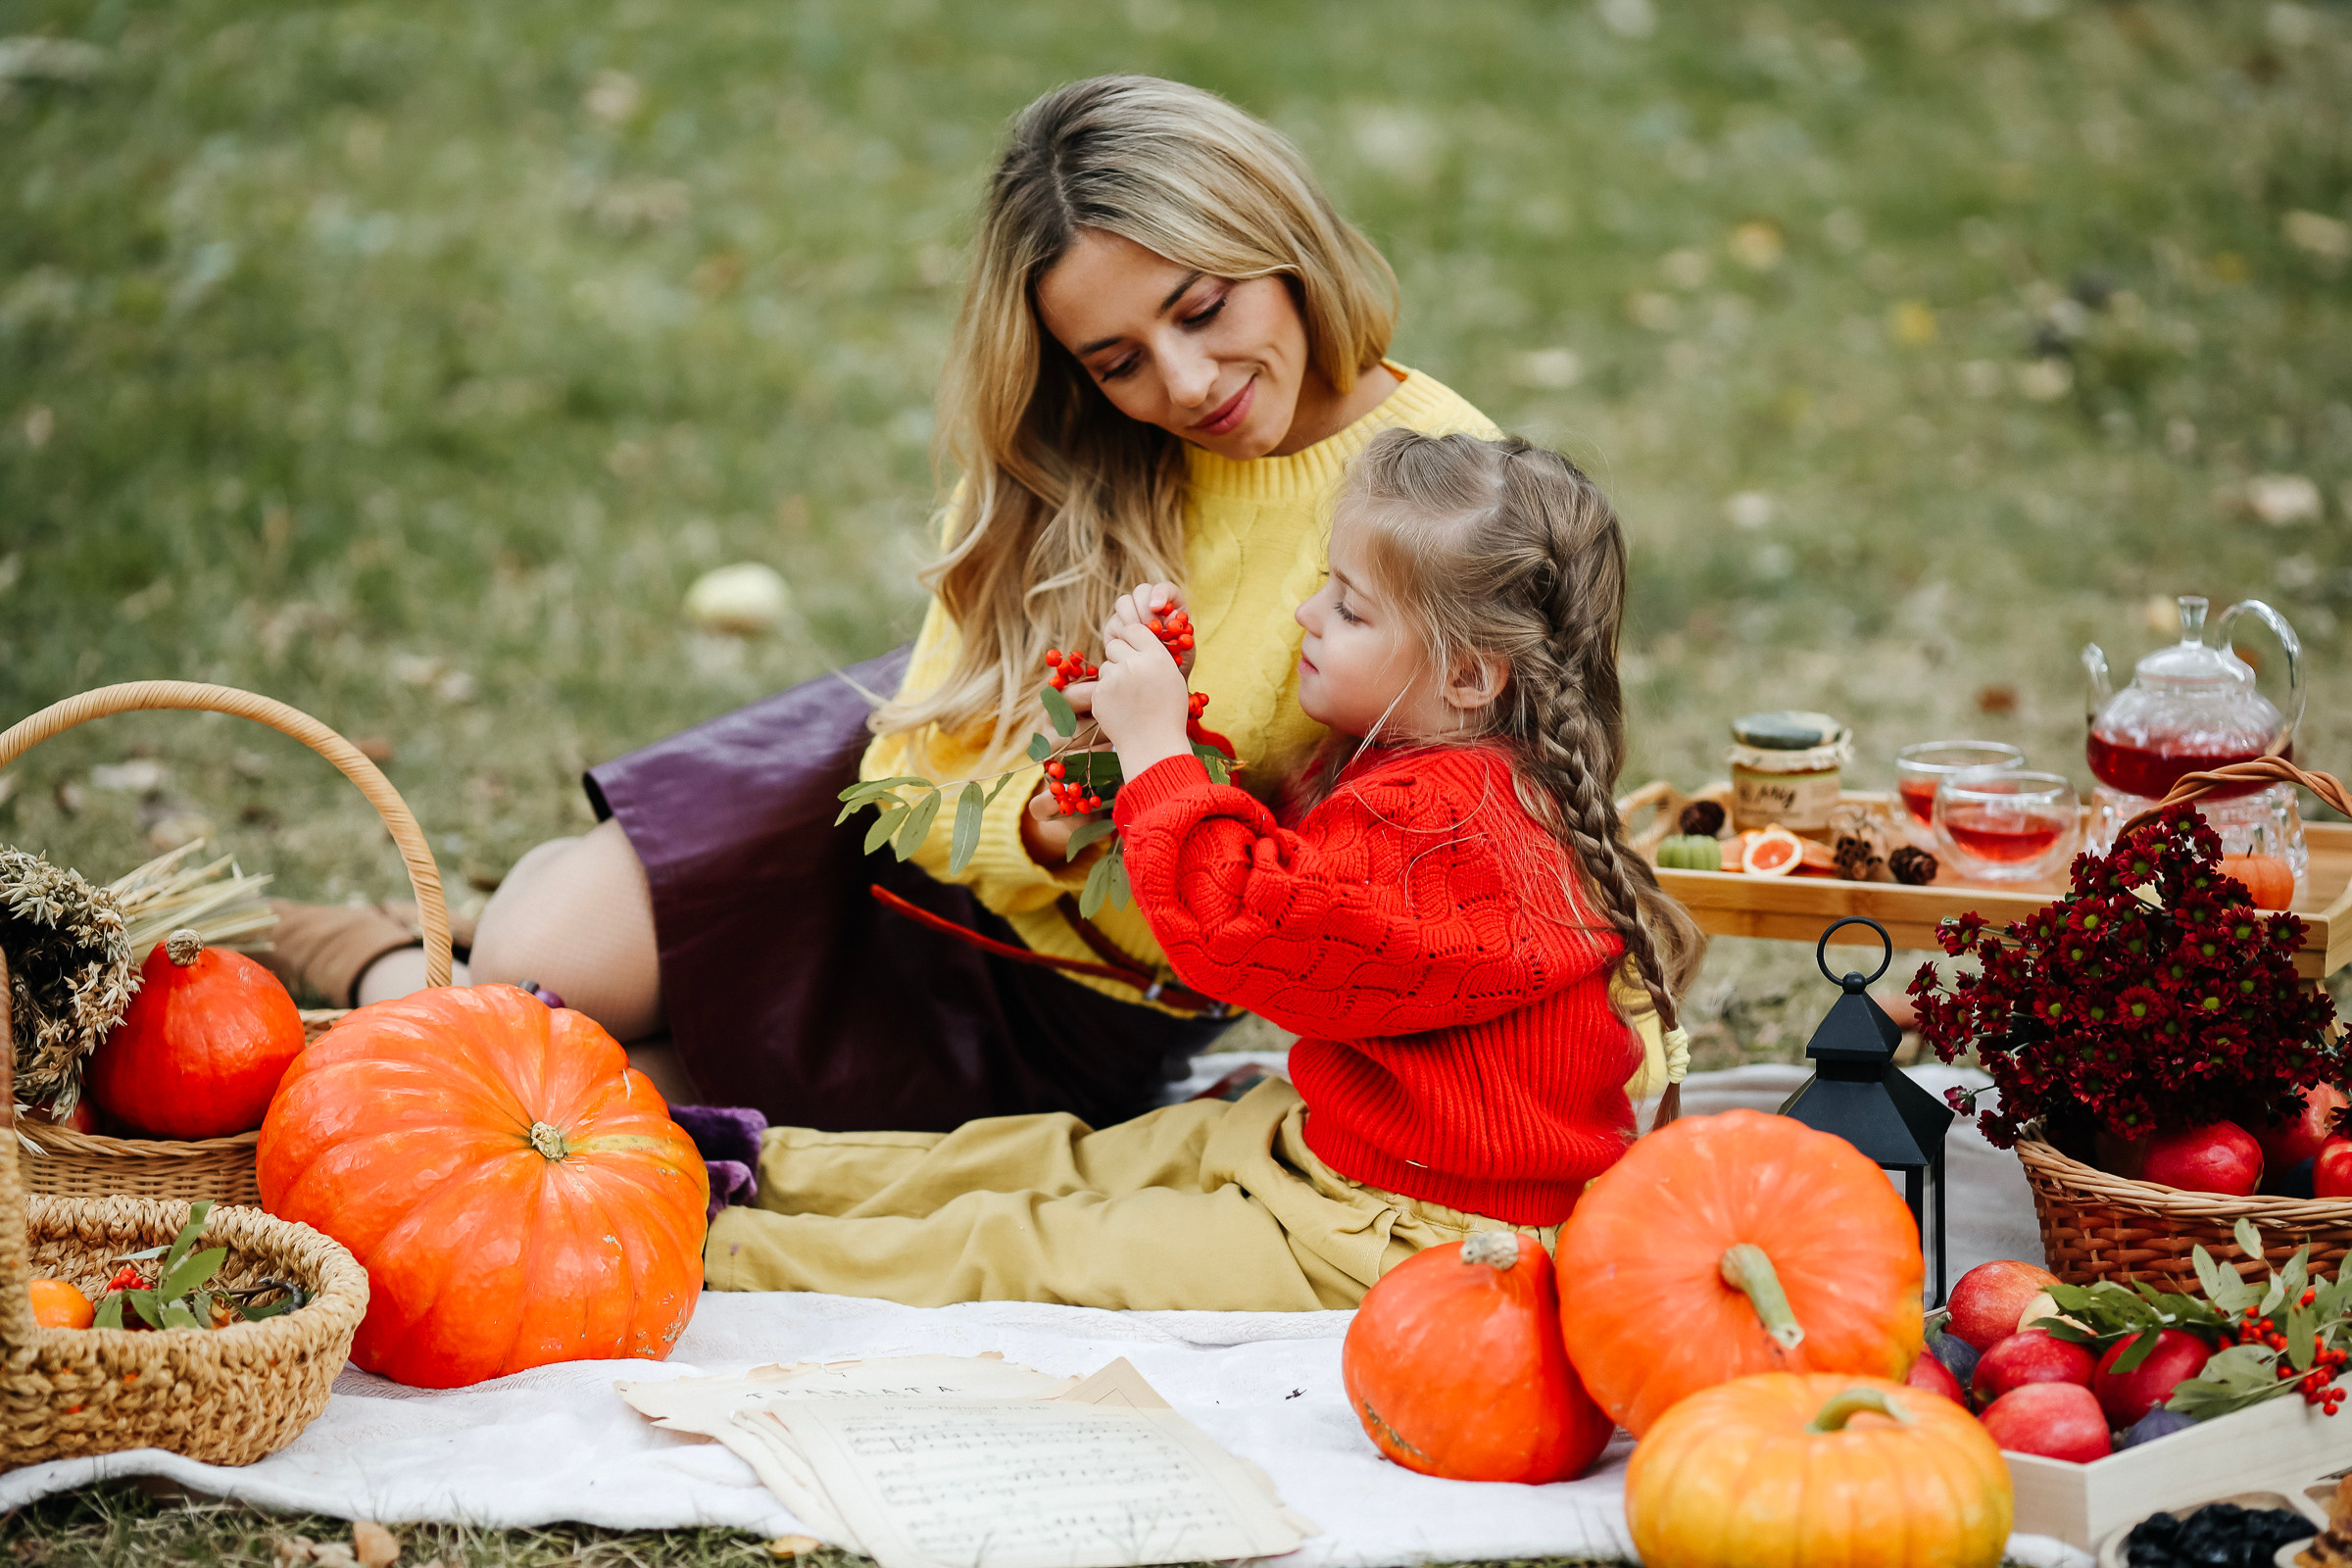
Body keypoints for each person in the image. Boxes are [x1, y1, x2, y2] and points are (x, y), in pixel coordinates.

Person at [260, 74, 1516, 1132]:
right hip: (857, 821)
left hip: (1062, 999)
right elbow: (918, 771)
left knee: (556, 1110)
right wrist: (1063, 801)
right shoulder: (1071, 459)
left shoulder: (1437, 489)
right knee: (533, 976)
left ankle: (375, 958)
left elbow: (1437, 843)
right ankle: (439, 944)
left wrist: (1135, 796)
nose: (1185, 383)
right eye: (1118, 360)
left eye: (1202, 309)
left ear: (1282, 242)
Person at [702, 428, 1703, 1309]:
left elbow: (1246, 934)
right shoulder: (1461, 778)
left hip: (1416, 1234)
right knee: (1071, 1156)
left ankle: (722, 1247)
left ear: (1469, 674)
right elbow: (1311, 887)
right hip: (1353, 1154)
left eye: (1350, 610)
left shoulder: (1449, 830)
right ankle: (765, 1161)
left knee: (1031, 1242)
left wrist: (1155, 754)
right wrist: (1158, 744)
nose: (1308, 616)